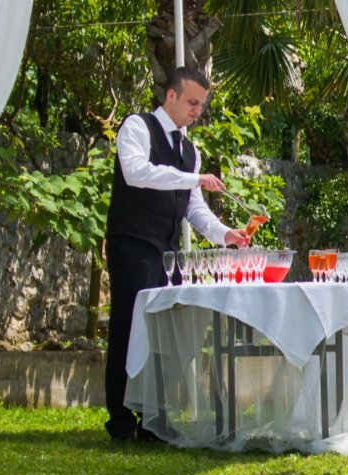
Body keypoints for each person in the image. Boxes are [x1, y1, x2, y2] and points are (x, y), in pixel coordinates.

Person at [103, 67, 250, 442]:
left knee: (166, 335)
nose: (197, 111)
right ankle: (120, 419)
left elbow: (194, 208)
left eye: (201, 105)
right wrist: (193, 179)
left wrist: (225, 234)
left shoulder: (189, 150)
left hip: (167, 254)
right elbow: (137, 173)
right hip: (133, 243)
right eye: (192, 102)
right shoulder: (137, 127)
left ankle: (154, 418)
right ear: (171, 95)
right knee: (128, 328)